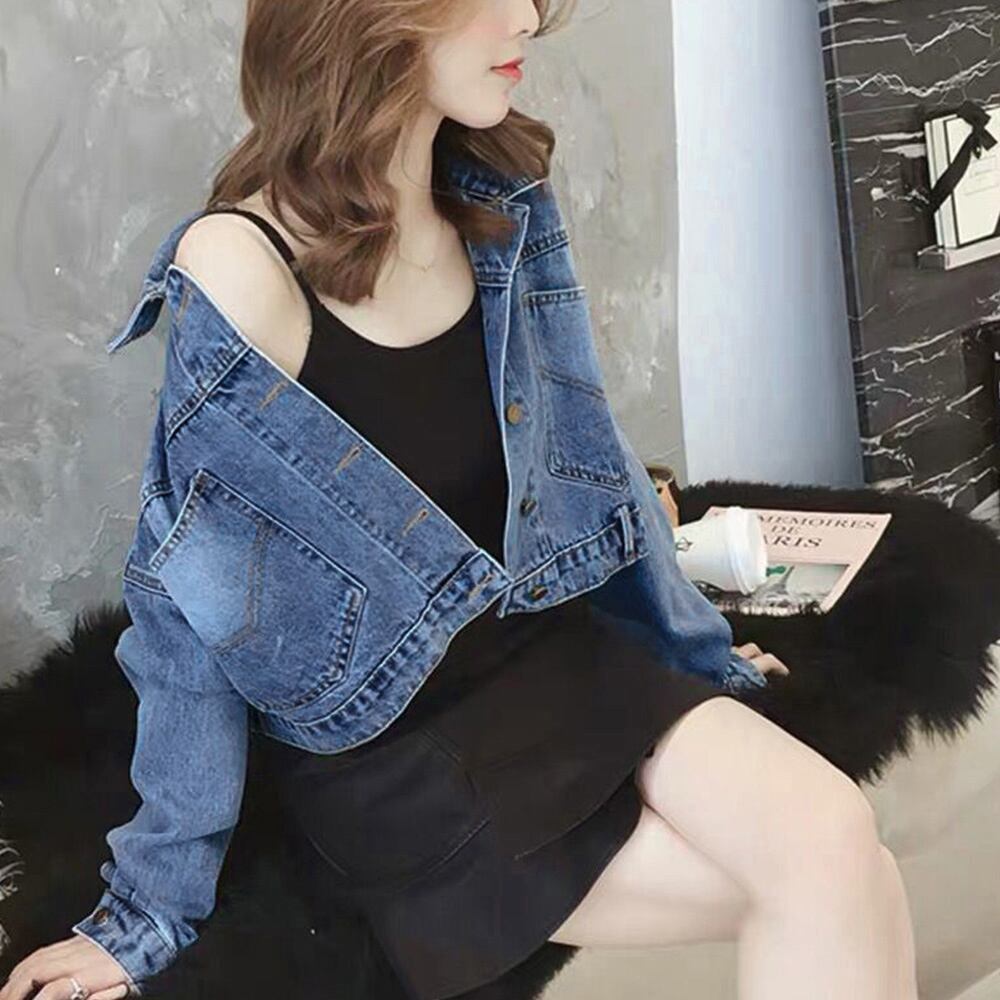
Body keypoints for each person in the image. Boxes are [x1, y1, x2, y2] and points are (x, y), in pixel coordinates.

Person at [0, 2, 918, 999]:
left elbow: (591, 462)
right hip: (396, 747)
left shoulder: (499, 207)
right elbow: (186, 604)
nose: (528, 16)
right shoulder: (240, 265)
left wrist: (696, 650)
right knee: (838, 875)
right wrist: (146, 912)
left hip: (556, 658)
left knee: (837, 836)